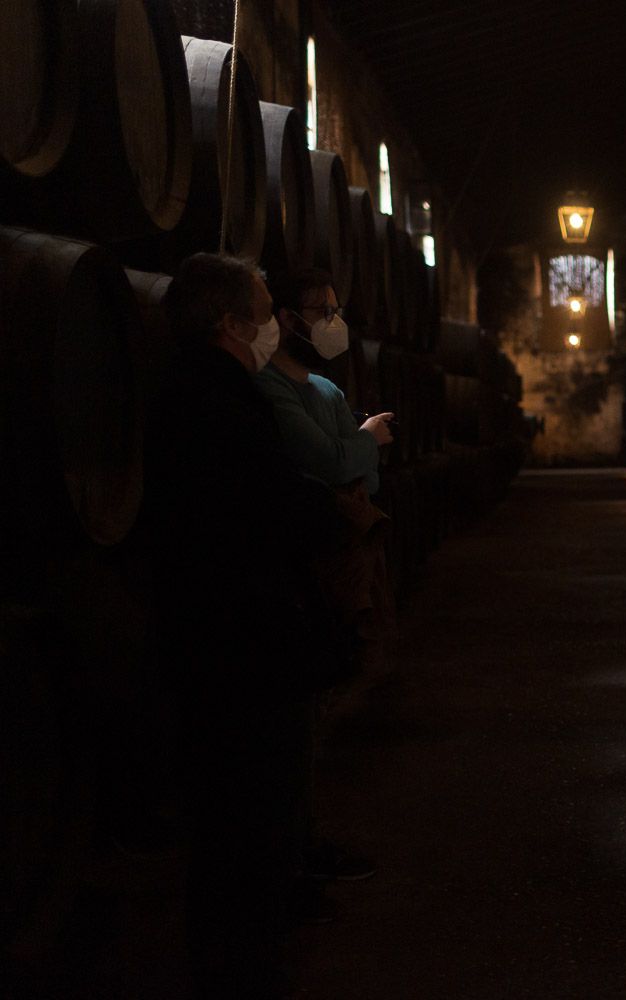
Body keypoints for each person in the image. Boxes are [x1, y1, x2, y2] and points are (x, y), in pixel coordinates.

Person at [144, 253, 342, 997]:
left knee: (235, 822)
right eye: (261, 310)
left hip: (221, 643)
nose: (272, 324)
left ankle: (239, 954)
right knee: (243, 819)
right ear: (229, 322)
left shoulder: (195, 388)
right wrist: (320, 510)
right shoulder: (218, 397)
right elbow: (269, 508)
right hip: (239, 649)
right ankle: (242, 970)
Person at [256, 267, 391, 894]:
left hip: (337, 559)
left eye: (336, 309)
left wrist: (352, 460)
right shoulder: (268, 391)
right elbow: (337, 463)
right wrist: (362, 445)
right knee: (291, 722)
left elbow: (362, 483)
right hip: (297, 563)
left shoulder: (327, 391)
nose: (332, 322)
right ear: (286, 318)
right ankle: (288, 852)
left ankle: (302, 840)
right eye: (321, 309)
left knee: (320, 702)